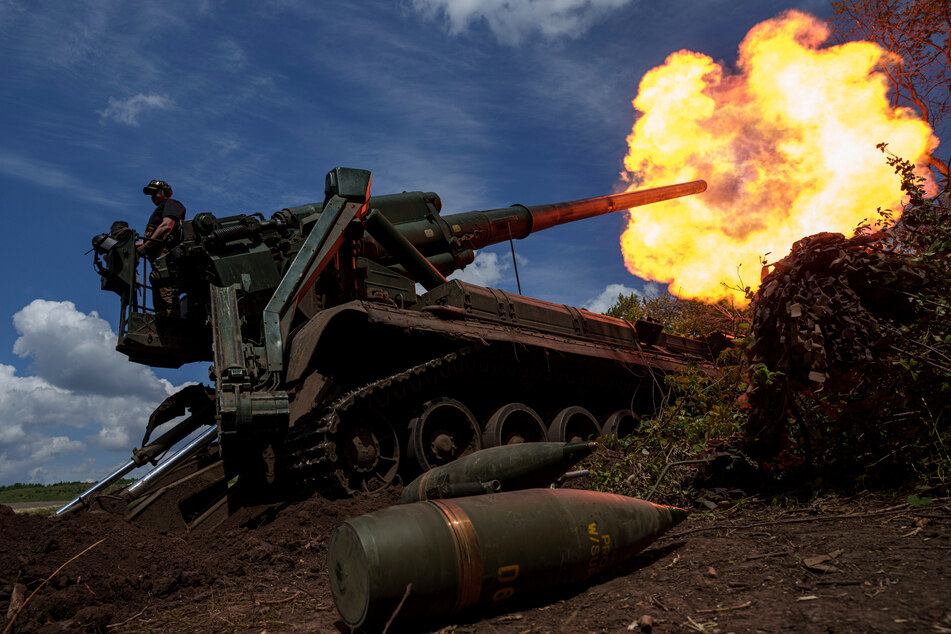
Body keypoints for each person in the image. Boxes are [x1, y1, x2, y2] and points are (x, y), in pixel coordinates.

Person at [136, 180, 186, 317]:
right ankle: (165, 321)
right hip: (158, 263)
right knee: (160, 301)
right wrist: (133, 246)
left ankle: (172, 326)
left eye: (155, 192)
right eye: (150, 194)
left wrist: (146, 246)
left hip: (166, 260)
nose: (152, 196)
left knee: (168, 296)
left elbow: (166, 226)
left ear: (166, 192)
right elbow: (149, 240)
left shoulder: (172, 204)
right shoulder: (160, 209)